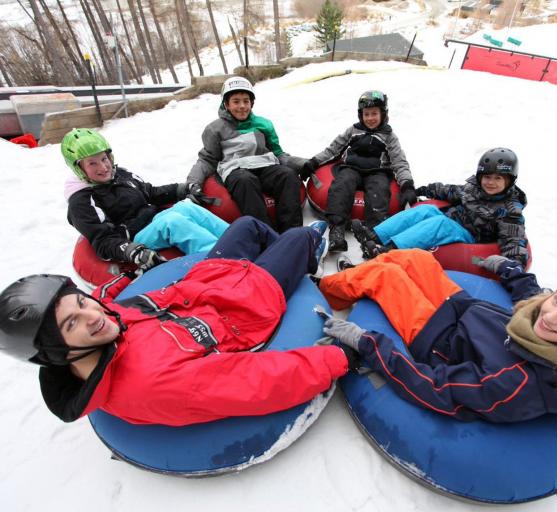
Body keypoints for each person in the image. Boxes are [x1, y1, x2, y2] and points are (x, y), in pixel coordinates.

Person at [0, 217, 355, 426]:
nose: (93, 316)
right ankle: (309, 249)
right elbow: (257, 381)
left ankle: (294, 263)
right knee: (301, 234)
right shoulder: (151, 383)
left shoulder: (105, 323)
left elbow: (131, 302)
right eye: (71, 324)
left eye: (82, 302)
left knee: (247, 225)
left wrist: (140, 280)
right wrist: (342, 357)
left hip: (205, 283)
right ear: (55, 352)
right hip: (246, 307)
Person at [319, 249, 557, 423]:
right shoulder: (550, 325)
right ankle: (350, 279)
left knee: (386, 276)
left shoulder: (521, 383)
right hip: (465, 310)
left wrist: (366, 342)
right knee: (416, 259)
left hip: (438, 338)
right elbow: (536, 298)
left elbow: (435, 388)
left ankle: (322, 290)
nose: (550, 315)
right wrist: (511, 269)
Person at [62, 128, 229, 272]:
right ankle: (223, 261)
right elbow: (102, 240)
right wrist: (130, 250)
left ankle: (236, 239)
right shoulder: (82, 200)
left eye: (104, 159)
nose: (103, 167)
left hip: (153, 220)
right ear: (79, 168)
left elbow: (149, 192)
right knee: (173, 222)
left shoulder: (120, 174)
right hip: (133, 237)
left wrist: (182, 188)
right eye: (92, 163)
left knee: (187, 209)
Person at [350, 148, 528, 264]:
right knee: (427, 210)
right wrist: (427, 189)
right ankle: (375, 236)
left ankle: (389, 251)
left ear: (510, 180)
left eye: (498, 178)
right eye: (487, 177)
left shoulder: (510, 209)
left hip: (473, 237)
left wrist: (515, 264)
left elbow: (514, 238)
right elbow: (450, 191)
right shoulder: (474, 189)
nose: (491, 183)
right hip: (454, 219)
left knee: (441, 224)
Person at [300, 90, 415, 252]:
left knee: (379, 190)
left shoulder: (389, 136)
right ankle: (337, 231)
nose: (370, 118)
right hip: (351, 168)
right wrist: (314, 162)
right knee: (342, 184)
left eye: (374, 113)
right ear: (361, 115)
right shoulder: (353, 131)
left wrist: (407, 185)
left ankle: (374, 233)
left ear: (383, 114)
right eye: (366, 114)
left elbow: (399, 162)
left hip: (378, 172)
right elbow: (333, 149)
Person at [187, 76, 304, 233]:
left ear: (251, 103)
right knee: (246, 181)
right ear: (226, 104)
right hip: (235, 170)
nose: (242, 106)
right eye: (236, 101)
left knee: (287, 175)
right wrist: (193, 183)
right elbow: (206, 160)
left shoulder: (264, 124)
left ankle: (293, 234)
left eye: (246, 101)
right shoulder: (214, 129)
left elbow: (278, 153)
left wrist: (303, 164)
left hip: (264, 166)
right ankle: (266, 236)